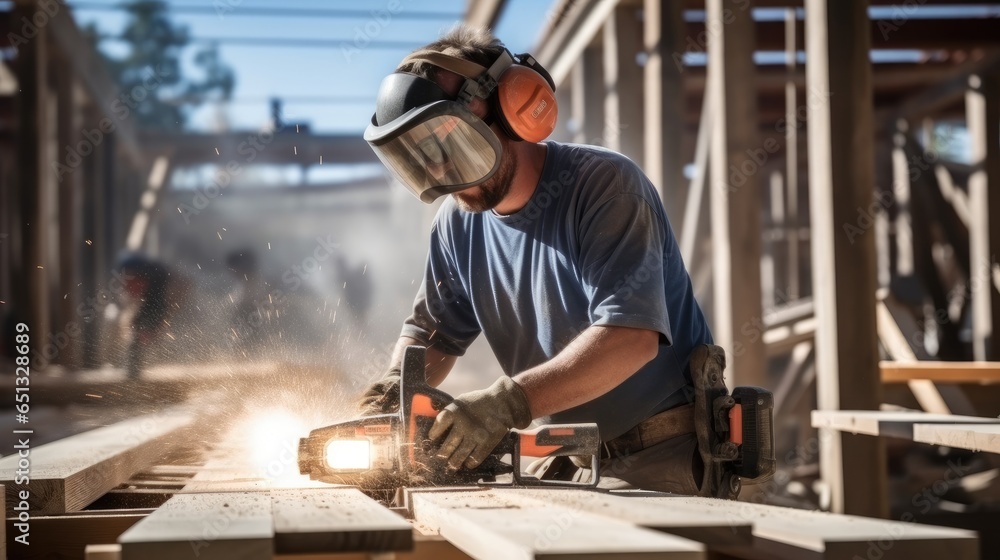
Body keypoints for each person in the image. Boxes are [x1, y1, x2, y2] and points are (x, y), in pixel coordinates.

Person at [359, 25, 714, 495]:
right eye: (423, 156)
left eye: (451, 146)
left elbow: (631, 338)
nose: (441, 173)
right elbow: (431, 336)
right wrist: (392, 392)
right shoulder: (457, 223)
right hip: (561, 458)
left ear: (513, 107)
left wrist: (506, 403)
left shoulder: (605, 186)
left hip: (659, 452)